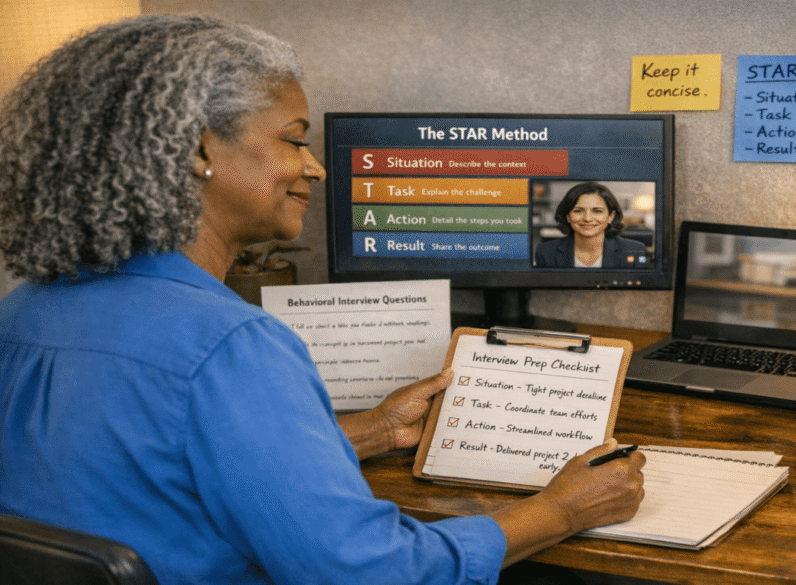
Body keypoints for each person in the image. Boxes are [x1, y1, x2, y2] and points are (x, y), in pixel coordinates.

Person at [0, 14, 645, 585]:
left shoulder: (27, 309)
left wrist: (376, 430)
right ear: (199, 148)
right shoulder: (233, 347)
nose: (315, 167)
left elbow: (160, 469)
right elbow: (372, 572)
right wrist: (559, 510)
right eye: (292, 139)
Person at [533, 182, 648, 269]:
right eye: (578, 211)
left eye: (597, 211)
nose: (587, 218)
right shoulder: (545, 252)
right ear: (568, 216)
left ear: (611, 216)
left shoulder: (635, 250)